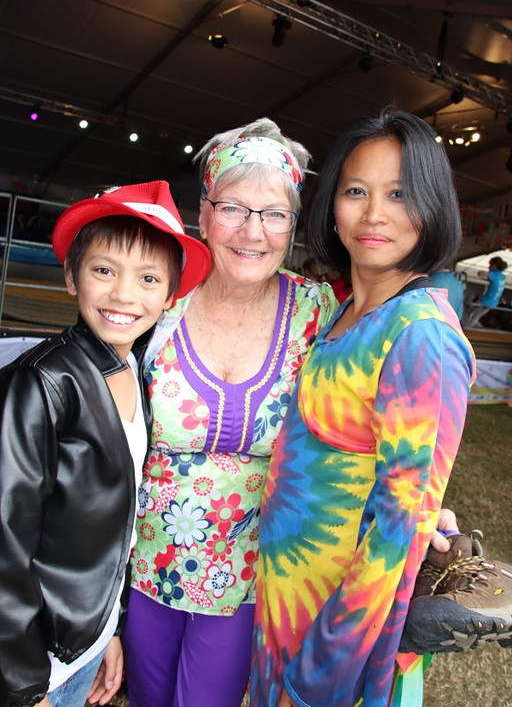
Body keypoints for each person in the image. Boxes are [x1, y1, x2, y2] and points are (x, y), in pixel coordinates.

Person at [251, 108, 477, 707]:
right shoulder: (344, 312)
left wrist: (318, 678)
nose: (374, 213)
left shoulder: (421, 334)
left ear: (433, 205)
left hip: (330, 642)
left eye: (399, 194)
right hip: (283, 606)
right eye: (356, 191)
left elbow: (398, 530)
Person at [122, 119, 338, 707]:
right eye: (234, 208)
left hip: (251, 577)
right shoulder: (160, 298)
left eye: (275, 214)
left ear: (293, 226)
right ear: (204, 214)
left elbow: (363, 420)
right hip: (141, 567)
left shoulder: (318, 311)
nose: (253, 231)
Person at [0, 181, 210, 707]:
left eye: (148, 278)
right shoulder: (44, 383)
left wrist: (108, 629)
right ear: (71, 276)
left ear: (170, 296)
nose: (123, 295)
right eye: (103, 270)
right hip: (31, 663)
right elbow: (5, 539)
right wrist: (21, 684)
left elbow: (114, 528)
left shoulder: (133, 371)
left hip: (82, 647)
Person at [462, 256, 508, 328]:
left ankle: (463, 326)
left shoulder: (494, 274)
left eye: (490, 265)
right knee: (477, 315)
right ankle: (466, 327)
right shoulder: (502, 276)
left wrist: (487, 274)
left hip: (485, 300)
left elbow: (480, 273)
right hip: (494, 302)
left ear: (494, 265)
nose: (489, 267)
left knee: (470, 311)